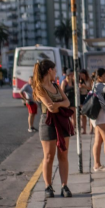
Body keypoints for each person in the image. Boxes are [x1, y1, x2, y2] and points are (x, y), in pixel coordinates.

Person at [31, 59, 74, 198]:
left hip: (62, 121)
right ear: (50, 70)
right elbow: (50, 108)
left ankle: (64, 186)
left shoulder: (56, 86)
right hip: (47, 122)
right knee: (49, 156)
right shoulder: (39, 88)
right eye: (55, 70)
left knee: (63, 154)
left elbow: (67, 102)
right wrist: (60, 104)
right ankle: (48, 186)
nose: (56, 72)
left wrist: (58, 104)